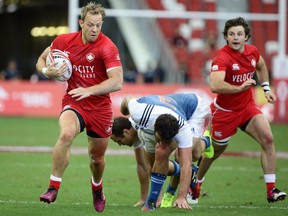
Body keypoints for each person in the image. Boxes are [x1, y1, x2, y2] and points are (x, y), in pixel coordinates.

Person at [35, 2, 123, 212]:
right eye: (91, 25)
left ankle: (97, 187)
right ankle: (53, 186)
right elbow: (41, 59)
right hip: (74, 101)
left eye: (98, 25)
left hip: (100, 108)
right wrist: (48, 72)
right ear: (81, 22)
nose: (94, 30)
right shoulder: (64, 41)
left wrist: (90, 90)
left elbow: (117, 81)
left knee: (97, 159)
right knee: (66, 134)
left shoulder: (107, 46)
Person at [193, 17, 286, 203]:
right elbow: (215, 85)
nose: (236, 37)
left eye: (239, 34)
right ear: (226, 37)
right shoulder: (222, 57)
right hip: (225, 112)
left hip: (247, 108)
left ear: (246, 37)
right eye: (232, 34)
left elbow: (261, 66)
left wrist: (266, 88)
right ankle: (196, 183)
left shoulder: (252, 52)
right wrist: (240, 88)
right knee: (213, 153)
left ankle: (271, 190)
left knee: (268, 139)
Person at [111, 93, 213, 211]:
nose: (162, 142)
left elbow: (186, 165)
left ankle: (206, 140)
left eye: (167, 141)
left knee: (189, 156)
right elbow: (127, 98)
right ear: (155, 128)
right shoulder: (138, 112)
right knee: (161, 152)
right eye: (160, 139)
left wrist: (182, 197)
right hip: (171, 110)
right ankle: (158, 199)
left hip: (196, 110)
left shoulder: (183, 130)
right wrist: (124, 111)